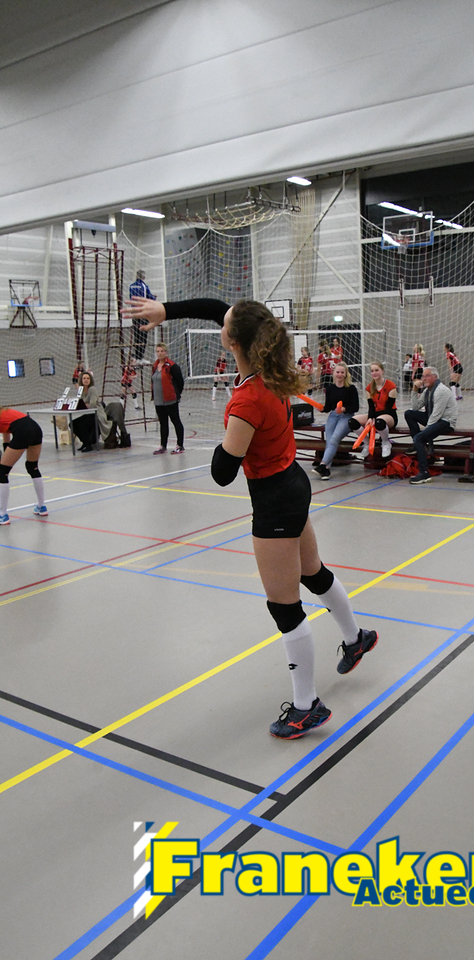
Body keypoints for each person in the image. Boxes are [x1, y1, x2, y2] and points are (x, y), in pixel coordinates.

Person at [123, 294, 378, 739]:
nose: (219, 323)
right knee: (313, 573)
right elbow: (221, 309)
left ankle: (306, 707)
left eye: (224, 326)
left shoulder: (246, 399)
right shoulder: (270, 373)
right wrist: (167, 310)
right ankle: (356, 639)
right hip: (293, 484)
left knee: (285, 608)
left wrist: (226, 438)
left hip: (274, 501)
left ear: (233, 342)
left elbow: (223, 473)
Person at [404, 366, 457, 485]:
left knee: (419, 438)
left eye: (427, 376)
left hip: (445, 421)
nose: (424, 378)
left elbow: (436, 415)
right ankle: (417, 444)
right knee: (409, 414)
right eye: (423, 376)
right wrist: (414, 390)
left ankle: (424, 473)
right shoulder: (427, 391)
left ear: (435, 377)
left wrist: (425, 433)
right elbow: (416, 406)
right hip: (434, 418)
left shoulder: (441, 390)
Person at [312, 361, 359, 480]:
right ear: (334, 373)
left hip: (346, 416)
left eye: (342, 372)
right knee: (329, 441)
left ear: (346, 374)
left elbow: (355, 407)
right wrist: (322, 409)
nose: (339, 374)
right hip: (333, 416)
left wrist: (344, 409)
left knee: (334, 439)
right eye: (337, 372)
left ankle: (322, 465)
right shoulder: (330, 388)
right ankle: (326, 470)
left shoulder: (351, 388)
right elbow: (328, 407)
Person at [0, 408, 47, 523]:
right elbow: (6, 431)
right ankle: (41, 506)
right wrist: (7, 450)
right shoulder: (5, 413)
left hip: (23, 431)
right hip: (35, 429)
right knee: (32, 467)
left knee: (2, 472)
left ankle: (2, 514)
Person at [350, 361, 397, 458]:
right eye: (372, 371)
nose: (374, 373)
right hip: (375, 413)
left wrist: (374, 418)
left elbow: (388, 408)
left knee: (379, 422)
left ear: (382, 371)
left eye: (376, 370)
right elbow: (371, 407)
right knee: (352, 421)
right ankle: (367, 443)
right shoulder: (369, 388)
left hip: (389, 415)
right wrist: (370, 417)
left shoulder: (391, 386)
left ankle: (385, 442)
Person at [151, 342, 185, 454]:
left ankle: (180, 445)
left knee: (176, 421)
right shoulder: (155, 366)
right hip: (158, 400)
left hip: (170, 400)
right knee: (163, 423)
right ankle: (163, 445)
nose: (160, 353)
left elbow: (180, 382)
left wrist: (175, 394)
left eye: (162, 351)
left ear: (166, 352)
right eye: (158, 351)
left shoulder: (172, 366)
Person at [73, 371, 112, 451]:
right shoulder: (80, 390)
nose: (86, 380)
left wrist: (84, 405)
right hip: (87, 414)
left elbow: (92, 405)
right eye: (84, 378)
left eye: (88, 378)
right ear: (81, 380)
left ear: (90, 380)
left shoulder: (92, 389)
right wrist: (84, 405)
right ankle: (86, 442)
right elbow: (78, 403)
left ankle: (88, 445)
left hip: (97, 414)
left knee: (80, 423)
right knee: (72, 424)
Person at [129, 270, 156, 361]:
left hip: (134, 313)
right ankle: (140, 357)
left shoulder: (131, 286)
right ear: (143, 277)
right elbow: (151, 298)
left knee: (136, 334)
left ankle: (136, 355)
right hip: (142, 313)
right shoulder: (144, 286)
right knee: (143, 335)